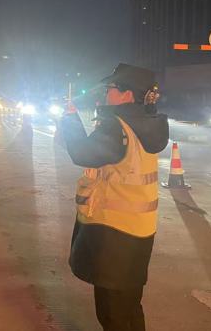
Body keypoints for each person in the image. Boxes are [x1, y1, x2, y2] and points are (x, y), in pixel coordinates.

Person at [60, 63, 169, 331]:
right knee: (130, 305)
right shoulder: (147, 123)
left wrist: (70, 120)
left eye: (110, 88)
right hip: (140, 229)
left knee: (112, 314)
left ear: (127, 94)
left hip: (113, 232)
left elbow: (82, 153)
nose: (106, 93)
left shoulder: (116, 127)